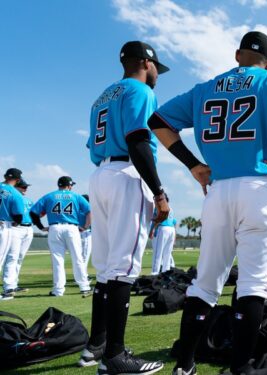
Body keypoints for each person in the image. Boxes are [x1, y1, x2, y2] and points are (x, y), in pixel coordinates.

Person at [146, 31, 267, 375]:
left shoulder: (205, 88)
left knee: (205, 283)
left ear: (238, 55)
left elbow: (158, 122)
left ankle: (185, 365)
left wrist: (193, 164)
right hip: (260, 184)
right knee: (253, 284)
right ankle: (240, 369)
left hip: (219, 189)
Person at [81, 40, 169, 373]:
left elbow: (94, 144)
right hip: (127, 175)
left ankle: (96, 345)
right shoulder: (140, 91)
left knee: (106, 270)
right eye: (157, 68)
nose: (158, 74)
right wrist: (158, 190)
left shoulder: (102, 96)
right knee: (123, 269)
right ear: (146, 63)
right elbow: (137, 140)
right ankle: (115, 356)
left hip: (100, 174)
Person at [29, 176, 91, 297]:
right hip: (71, 228)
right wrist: (85, 226)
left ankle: (58, 290)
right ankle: (84, 286)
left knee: (57, 260)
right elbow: (89, 211)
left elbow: (33, 212)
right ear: (69, 185)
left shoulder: (49, 196)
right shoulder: (76, 196)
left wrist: (41, 227)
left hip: (54, 228)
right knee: (77, 258)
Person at [1, 178, 33, 299]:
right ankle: (8, 286)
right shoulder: (12, 196)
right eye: (24, 187)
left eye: (26, 187)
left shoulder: (28, 200)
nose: (26, 189)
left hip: (28, 228)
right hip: (14, 228)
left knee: (19, 257)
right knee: (12, 257)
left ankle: (14, 283)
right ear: (17, 186)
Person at [0, 168, 25, 293]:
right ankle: (8, 287)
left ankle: (9, 286)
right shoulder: (15, 193)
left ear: (5, 176)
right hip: (4, 225)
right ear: (18, 180)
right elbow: (18, 216)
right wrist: (17, 222)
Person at [150, 200, 177, 275]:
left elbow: (158, 219)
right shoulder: (170, 208)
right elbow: (174, 222)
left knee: (157, 253)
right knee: (167, 254)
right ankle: (166, 274)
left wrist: (152, 230)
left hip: (163, 228)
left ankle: (154, 273)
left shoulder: (159, 207)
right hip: (171, 230)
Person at [78, 194, 93, 268]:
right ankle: (83, 275)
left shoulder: (76, 209)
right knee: (85, 255)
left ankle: (80, 274)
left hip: (75, 233)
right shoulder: (88, 209)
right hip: (85, 233)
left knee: (79, 255)